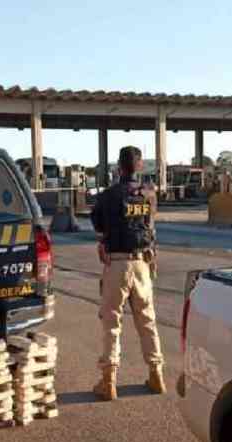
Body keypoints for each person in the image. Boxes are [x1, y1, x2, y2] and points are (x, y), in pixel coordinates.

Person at [90, 145, 166, 401]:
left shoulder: (108, 195)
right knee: (147, 319)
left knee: (112, 322)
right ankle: (156, 374)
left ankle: (108, 381)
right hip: (143, 263)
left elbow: (98, 224)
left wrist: (104, 240)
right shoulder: (149, 194)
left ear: (118, 167)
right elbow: (150, 224)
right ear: (140, 166)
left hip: (117, 263)